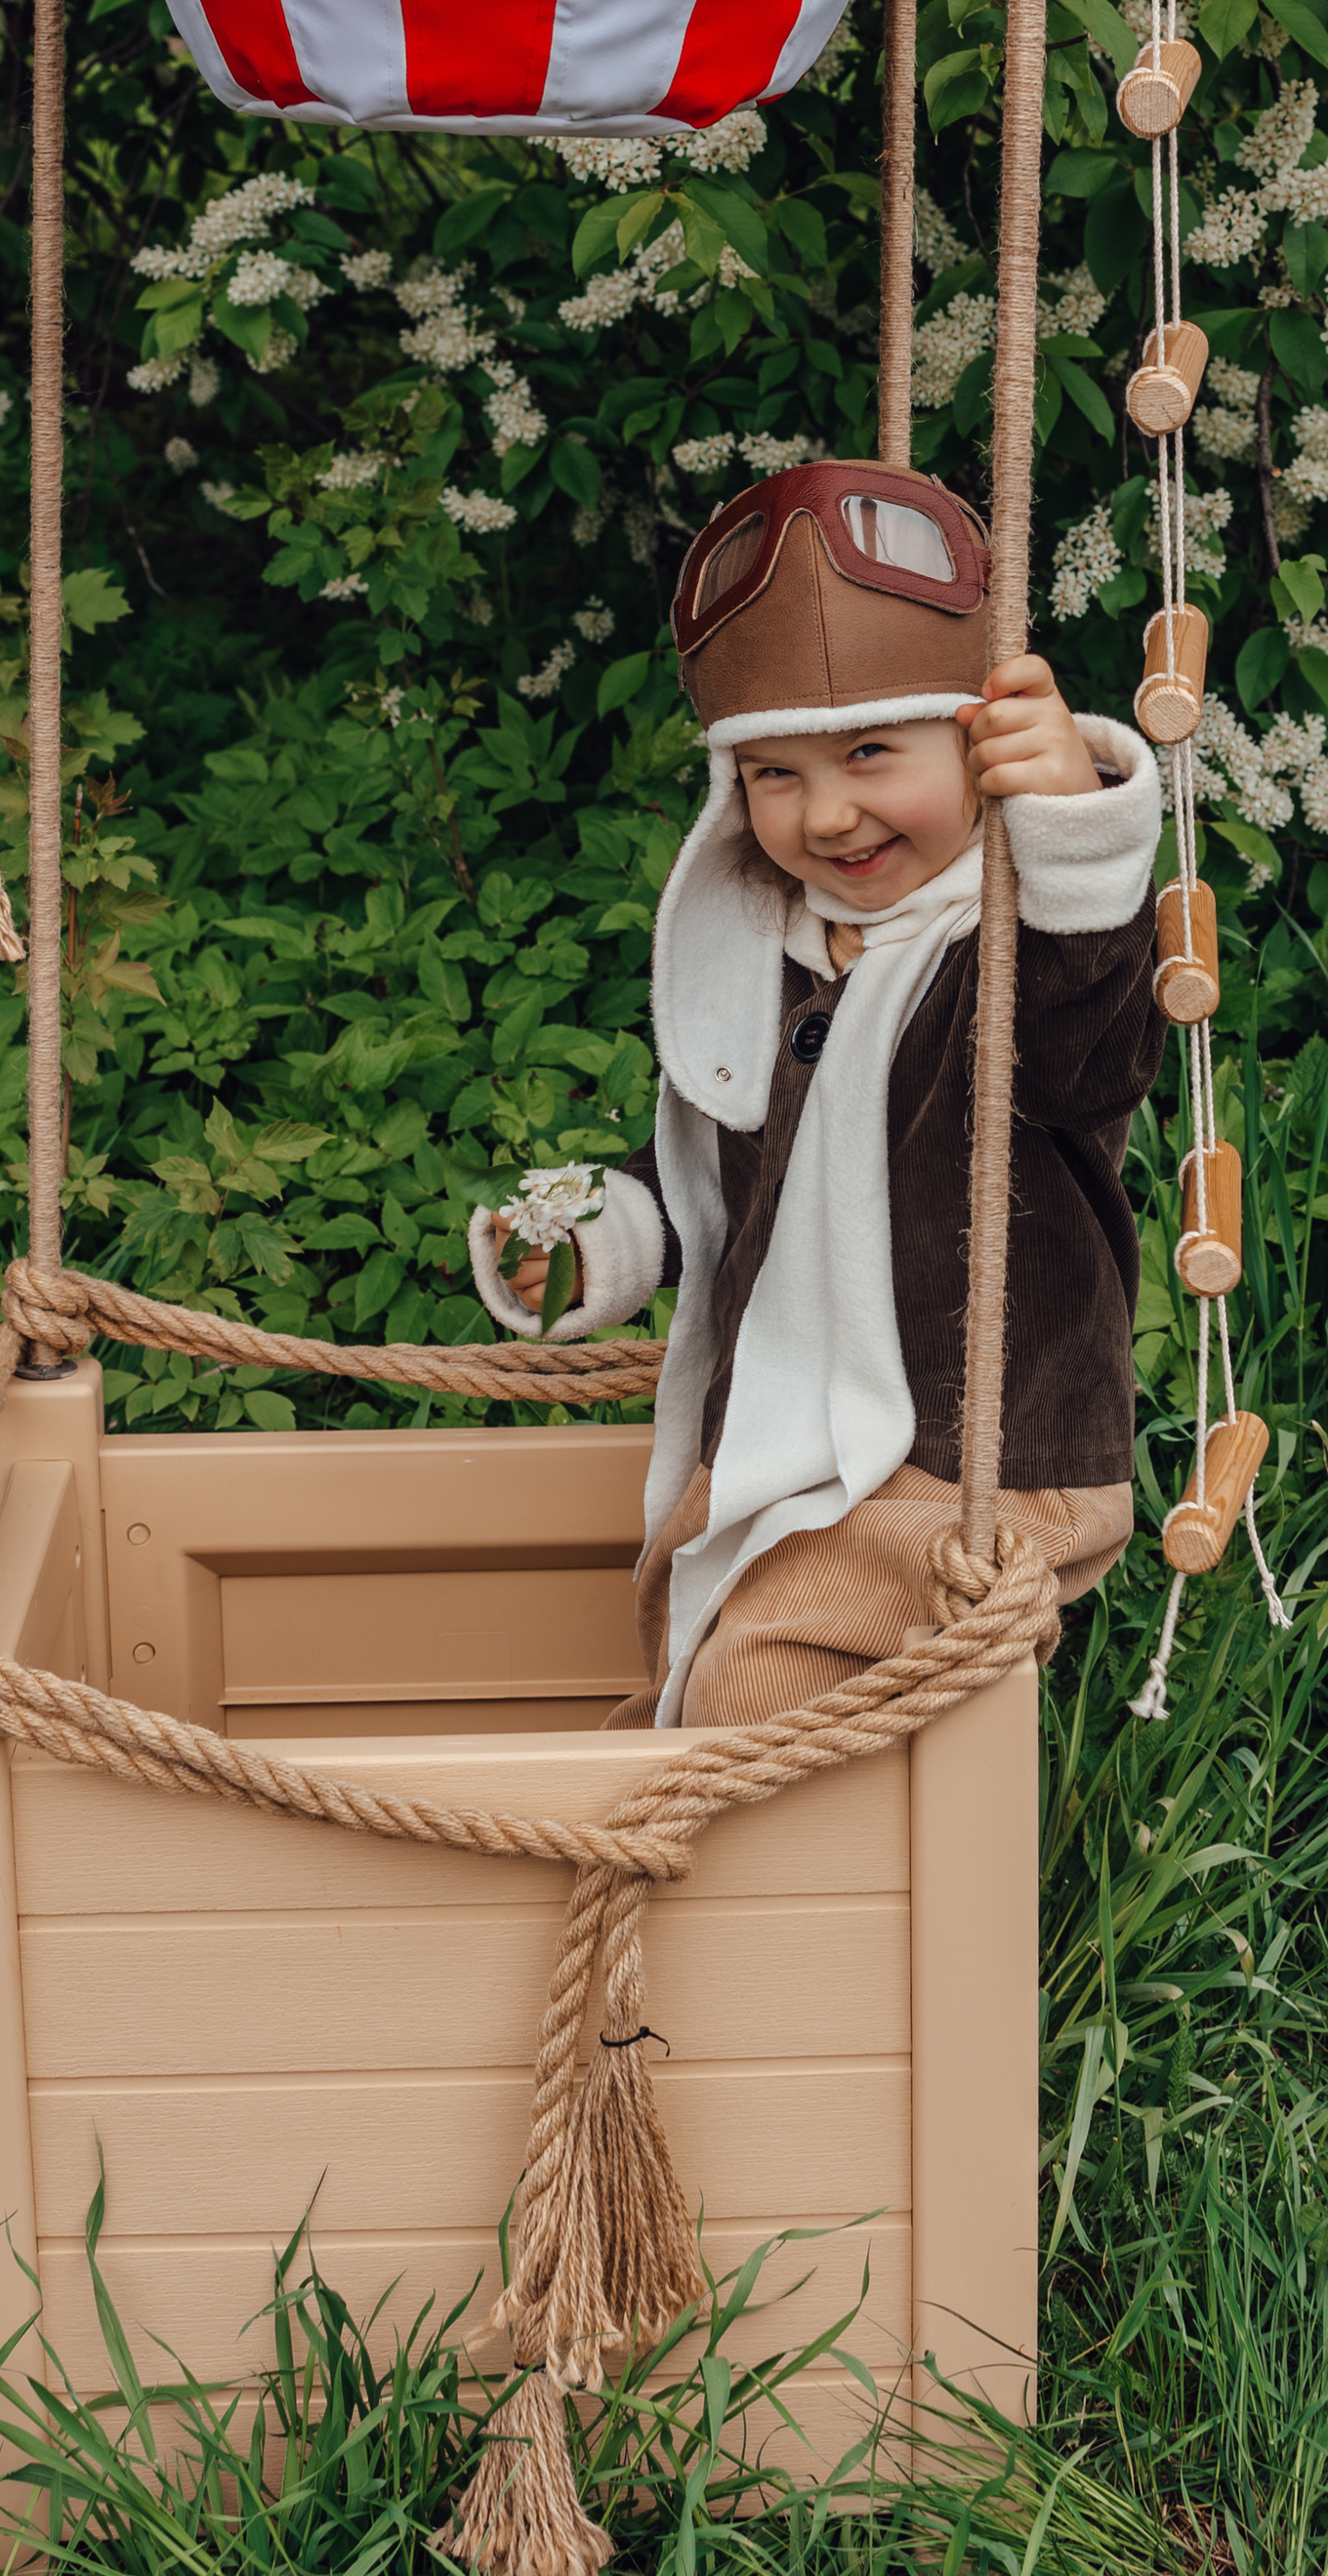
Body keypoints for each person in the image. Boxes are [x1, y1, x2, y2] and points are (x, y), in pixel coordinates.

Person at [468, 457, 1164, 1728]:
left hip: (980, 1465)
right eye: (774, 774)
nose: (828, 812)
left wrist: (1073, 834)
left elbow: (1093, 1050)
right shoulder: (793, 950)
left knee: (755, 1678)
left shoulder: (1004, 941)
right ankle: (641, 1843)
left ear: (977, 740)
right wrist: (607, 1235)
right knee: (689, 1613)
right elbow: (735, 1171)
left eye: (870, 752)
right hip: (808, 1432)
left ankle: (730, 1878)